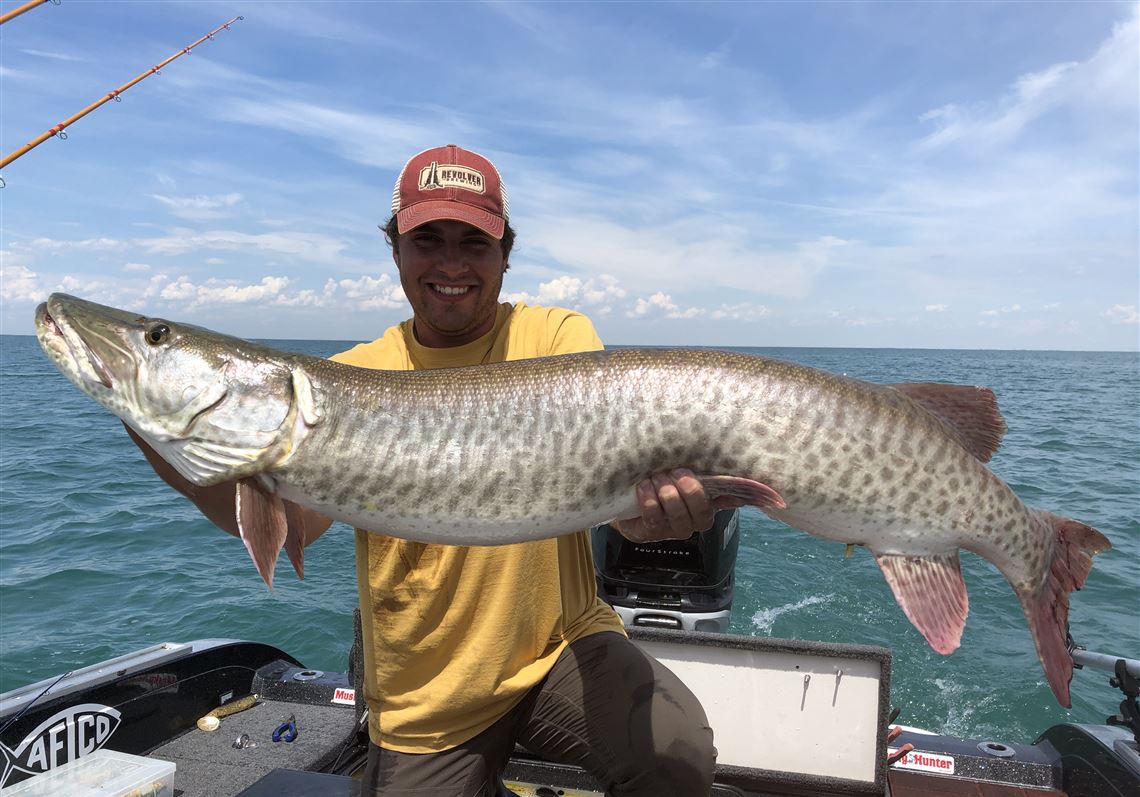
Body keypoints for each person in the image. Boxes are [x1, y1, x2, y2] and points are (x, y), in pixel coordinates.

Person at [128, 145, 728, 797]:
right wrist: (146, 413)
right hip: (427, 697)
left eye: (473, 242)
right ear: (395, 251)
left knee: (677, 748)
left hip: (559, 647)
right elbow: (293, 521)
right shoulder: (357, 374)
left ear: (505, 254)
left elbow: (609, 491)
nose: (450, 263)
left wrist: (649, 518)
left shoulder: (555, 337)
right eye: (428, 240)